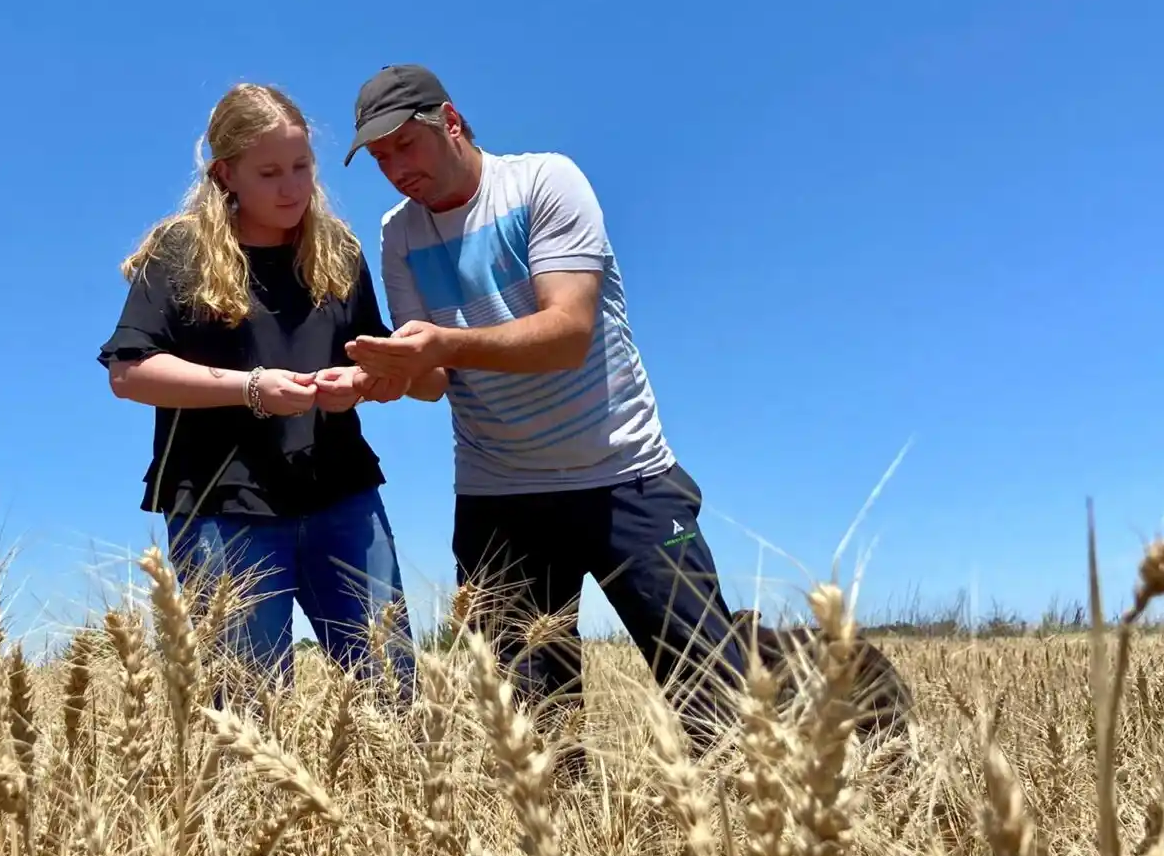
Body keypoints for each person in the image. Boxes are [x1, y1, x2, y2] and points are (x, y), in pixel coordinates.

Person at [335, 63, 747, 758]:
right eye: (379, 158)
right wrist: (379, 378)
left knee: (714, 703)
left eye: (405, 144)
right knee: (533, 741)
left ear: (452, 121)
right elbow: (434, 377)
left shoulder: (543, 183)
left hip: (626, 477)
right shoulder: (398, 234)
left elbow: (567, 334)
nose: (394, 168)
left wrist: (440, 346)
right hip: (501, 497)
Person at [97, 81, 417, 701]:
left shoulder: (340, 253)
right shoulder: (180, 251)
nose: (292, 186)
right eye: (269, 172)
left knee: (392, 693)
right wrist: (252, 389)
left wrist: (360, 382)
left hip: (342, 495)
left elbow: (377, 363)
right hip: (223, 505)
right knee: (246, 711)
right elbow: (128, 372)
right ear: (225, 174)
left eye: (302, 166)